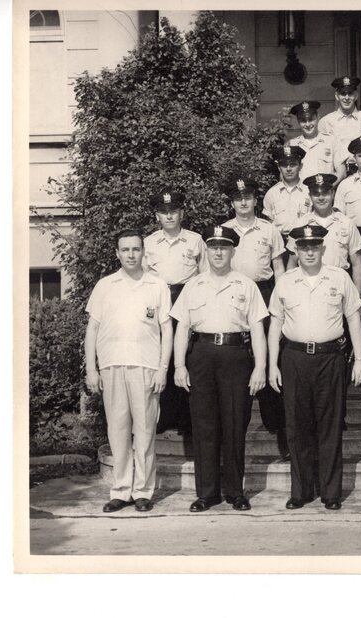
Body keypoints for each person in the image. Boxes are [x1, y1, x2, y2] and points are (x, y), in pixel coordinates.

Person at [268, 224, 361, 510]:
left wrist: (359, 359)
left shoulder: (339, 277)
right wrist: (273, 364)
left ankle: (330, 491)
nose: (309, 252)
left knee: (330, 424)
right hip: (294, 358)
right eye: (303, 248)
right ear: (296, 251)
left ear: (323, 249)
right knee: (297, 427)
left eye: (314, 247)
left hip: (330, 359)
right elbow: (275, 323)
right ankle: (301, 490)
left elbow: (354, 319)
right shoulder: (285, 281)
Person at [171, 225, 268, 513]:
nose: (218, 252)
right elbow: (182, 328)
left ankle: (236, 491)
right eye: (213, 247)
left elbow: (258, 329)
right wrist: (179, 365)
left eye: (224, 247)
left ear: (232, 251)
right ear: (207, 251)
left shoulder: (246, 285)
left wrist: (260, 366)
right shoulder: (194, 285)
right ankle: (207, 493)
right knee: (204, 425)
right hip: (200, 355)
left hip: (236, 355)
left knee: (235, 424)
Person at [84, 229, 173, 513]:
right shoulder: (105, 285)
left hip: (145, 366)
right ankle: (121, 490)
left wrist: (162, 369)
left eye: (136, 249)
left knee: (145, 431)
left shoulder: (156, 285)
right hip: (111, 366)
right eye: (125, 250)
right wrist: (92, 369)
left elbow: (166, 329)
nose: (131, 255)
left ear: (143, 252)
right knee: (118, 430)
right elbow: (92, 330)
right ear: (117, 253)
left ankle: (143, 491)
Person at [221, 177, 288, 450]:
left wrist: (281, 298)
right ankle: (238, 422)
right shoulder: (223, 230)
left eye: (248, 196)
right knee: (240, 354)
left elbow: (279, 267)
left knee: (271, 352)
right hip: (233, 293)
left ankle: (275, 422)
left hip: (265, 290)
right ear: (232, 203)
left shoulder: (269, 229)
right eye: (238, 198)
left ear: (255, 200)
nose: (244, 202)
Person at [142, 190, 205, 435]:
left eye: (174, 211)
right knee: (161, 354)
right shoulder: (149, 242)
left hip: (187, 297)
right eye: (164, 212)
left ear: (182, 213)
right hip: (160, 298)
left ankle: (187, 419)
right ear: (157, 215)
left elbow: (203, 275)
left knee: (187, 356)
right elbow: (145, 278)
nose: (169, 216)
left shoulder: (195, 240)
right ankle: (164, 416)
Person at [286, 173, 361, 297]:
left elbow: (357, 264)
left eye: (325, 193)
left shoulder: (346, 223)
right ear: (310, 196)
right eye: (316, 194)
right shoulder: (300, 224)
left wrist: (357, 299)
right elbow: (291, 263)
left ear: (333, 194)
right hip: (307, 287)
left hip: (339, 286)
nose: (321, 198)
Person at [318, 76, 361, 175]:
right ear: (336, 96)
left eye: (350, 94)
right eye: (343, 94)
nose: (346, 98)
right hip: (336, 173)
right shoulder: (326, 122)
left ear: (356, 95)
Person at [262, 145, 313, 244]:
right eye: (284, 165)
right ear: (279, 167)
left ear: (300, 166)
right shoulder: (272, 193)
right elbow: (268, 224)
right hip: (280, 242)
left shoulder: (309, 191)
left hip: (304, 241)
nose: (288, 169)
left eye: (293, 164)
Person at [287, 100, 346, 184]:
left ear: (318, 117)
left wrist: (327, 189)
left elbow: (342, 173)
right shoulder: (292, 144)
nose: (307, 124)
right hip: (300, 195)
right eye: (303, 121)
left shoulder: (332, 141)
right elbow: (285, 175)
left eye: (311, 119)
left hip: (325, 195)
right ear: (298, 122)